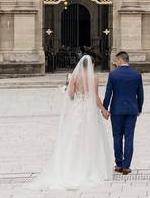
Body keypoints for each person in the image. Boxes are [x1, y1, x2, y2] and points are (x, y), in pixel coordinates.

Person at [30, 55, 112, 190]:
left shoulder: (74, 76)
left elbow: (70, 95)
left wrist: (67, 90)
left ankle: (72, 165)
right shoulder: (94, 78)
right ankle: (92, 166)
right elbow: (95, 97)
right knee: (91, 136)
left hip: (77, 110)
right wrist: (103, 110)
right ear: (91, 64)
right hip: (89, 111)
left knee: (75, 136)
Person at [104, 51, 144, 175]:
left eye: (116, 61)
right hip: (132, 110)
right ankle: (127, 166)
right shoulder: (137, 75)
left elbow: (108, 94)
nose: (115, 63)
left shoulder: (113, 74)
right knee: (129, 137)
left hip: (116, 110)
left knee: (117, 137)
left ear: (120, 60)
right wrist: (139, 108)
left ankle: (119, 164)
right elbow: (141, 95)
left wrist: (105, 108)